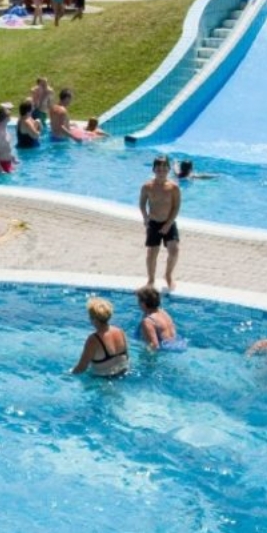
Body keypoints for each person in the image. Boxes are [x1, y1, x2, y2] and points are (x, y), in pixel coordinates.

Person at [139, 155, 181, 290]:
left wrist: (168, 224)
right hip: (154, 222)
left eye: (164, 168)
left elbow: (176, 207)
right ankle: (151, 280)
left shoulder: (174, 188)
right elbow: (142, 204)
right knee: (152, 253)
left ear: (168, 169)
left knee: (174, 250)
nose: (161, 171)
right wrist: (145, 217)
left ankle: (168, 275)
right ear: (154, 169)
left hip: (169, 222)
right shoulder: (147, 187)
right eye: (158, 168)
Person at [71, 297, 129, 377]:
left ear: (94, 319)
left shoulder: (93, 340)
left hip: (103, 381)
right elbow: (127, 359)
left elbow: (81, 368)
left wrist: (68, 374)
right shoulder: (120, 332)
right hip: (123, 375)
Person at [136, 285, 182, 351]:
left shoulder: (148, 322)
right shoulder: (164, 313)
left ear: (143, 303)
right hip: (177, 344)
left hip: (165, 352)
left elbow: (154, 346)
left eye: (138, 301)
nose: (137, 303)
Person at [0, 103, 17, 174]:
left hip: (8, 165)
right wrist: (1, 170)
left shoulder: (4, 130)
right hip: (0, 167)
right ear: (7, 118)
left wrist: (12, 158)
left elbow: (4, 148)